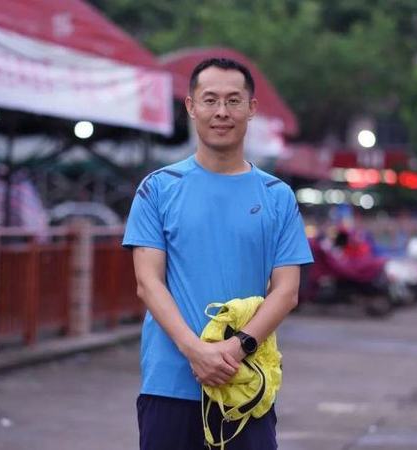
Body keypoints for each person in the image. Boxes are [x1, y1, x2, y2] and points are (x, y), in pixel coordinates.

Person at [122, 58, 313, 450]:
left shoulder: (277, 196)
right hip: (170, 383)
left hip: (245, 385)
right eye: (210, 100)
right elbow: (148, 283)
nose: (222, 112)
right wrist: (195, 351)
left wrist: (236, 348)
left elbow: (286, 291)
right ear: (191, 106)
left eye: (233, 100)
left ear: (251, 108)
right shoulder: (157, 189)